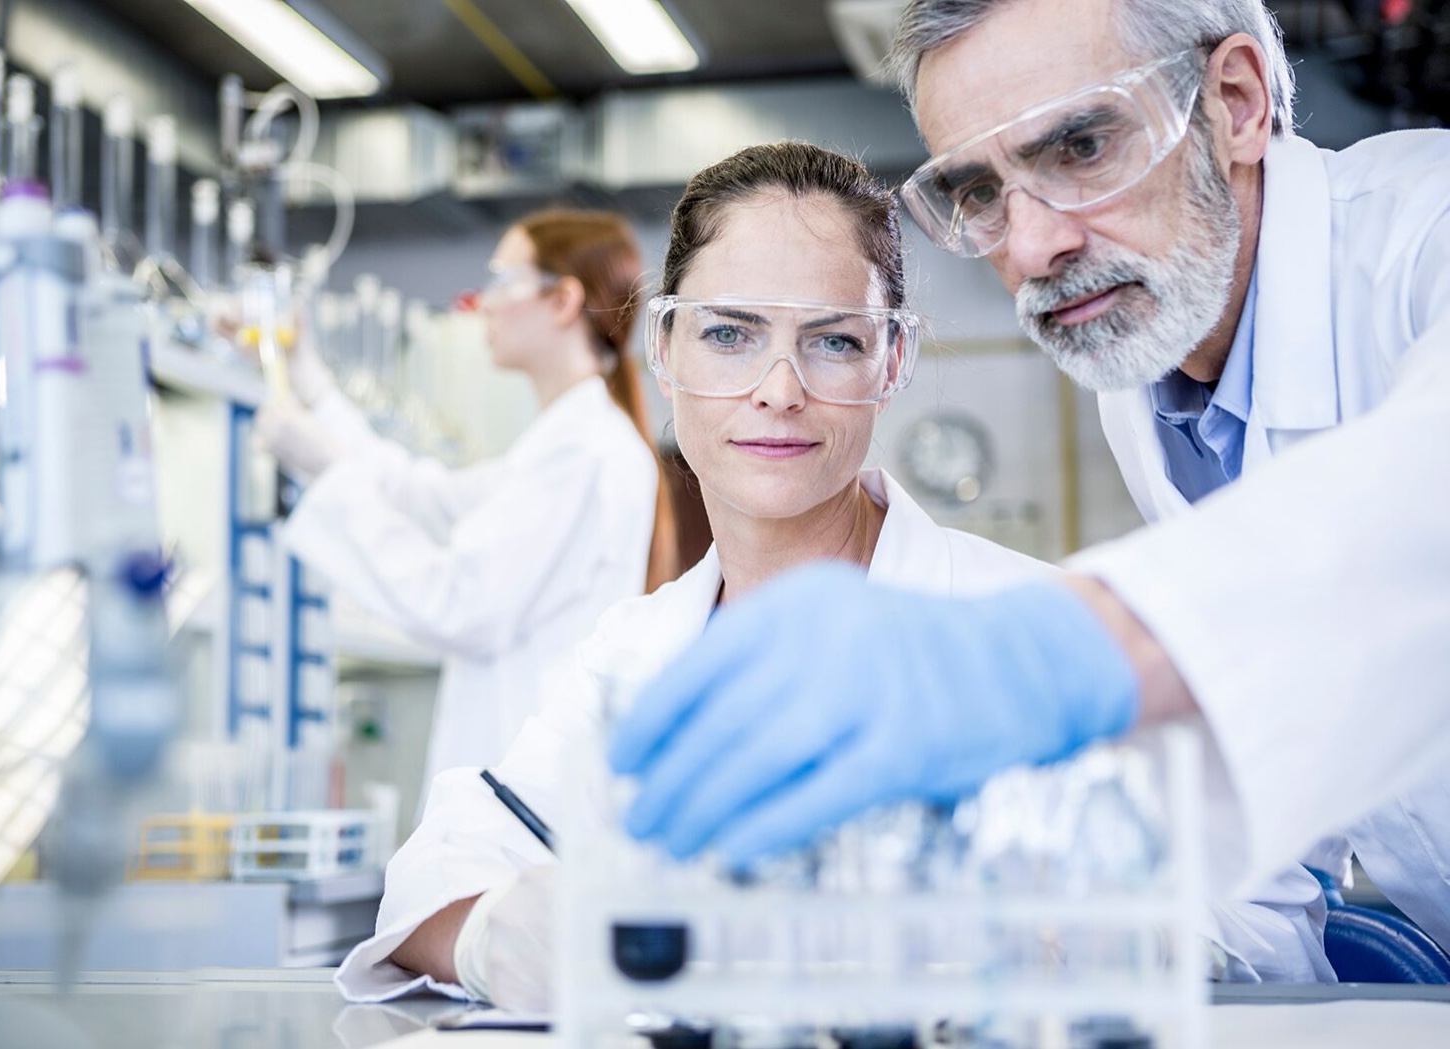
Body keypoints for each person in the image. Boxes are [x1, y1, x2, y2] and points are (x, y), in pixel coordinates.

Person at [332, 142, 1333, 1008]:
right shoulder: (634, 649)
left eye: (833, 340)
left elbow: (1269, 935)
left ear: (892, 361)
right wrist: (496, 933)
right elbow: (437, 865)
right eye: (728, 333)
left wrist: (1054, 938)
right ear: (665, 345)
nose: (777, 389)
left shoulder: (1025, 625)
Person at [608, 0, 1450, 921]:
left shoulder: (1422, 233)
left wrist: (1052, 651)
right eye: (978, 191)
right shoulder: (1147, 372)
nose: (1034, 245)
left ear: (1237, 102)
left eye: (1083, 148)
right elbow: (1301, 702)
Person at [257, 209, 678, 797]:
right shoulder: (563, 445)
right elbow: (425, 496)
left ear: (562, 301)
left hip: (524, 801)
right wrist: (314, 389)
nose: (484, 302)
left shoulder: (584, 454)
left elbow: (460, 603)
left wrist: (329, 476)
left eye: (503, 281)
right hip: (521, 795)